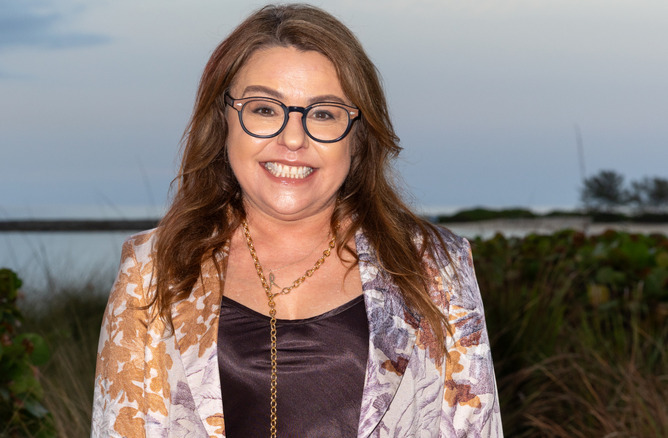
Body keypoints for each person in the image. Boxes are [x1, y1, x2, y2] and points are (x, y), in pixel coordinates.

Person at [92, 4, 502, 437]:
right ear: (224, 118)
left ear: (357, 134)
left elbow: (474, 426)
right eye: (264, 109)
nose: (292, 138)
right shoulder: (152, 268)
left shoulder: (436, 266)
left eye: (323, 113)